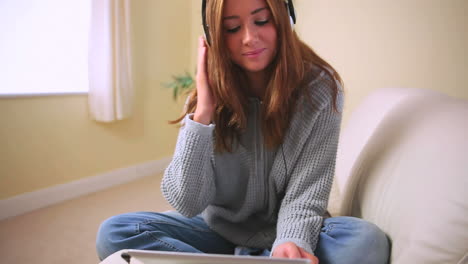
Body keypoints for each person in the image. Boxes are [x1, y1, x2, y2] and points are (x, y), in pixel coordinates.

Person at [96, 0, 390, 263]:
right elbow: (186, 203)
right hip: (216, 232)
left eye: (261, 21)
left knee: (365, 242)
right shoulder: (204, 99)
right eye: (232, 28)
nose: (249, 38)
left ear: (284, 18)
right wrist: (202, 116)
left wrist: (291, 241)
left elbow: (307, 191)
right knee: (115, 233)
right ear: (214, 37)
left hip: (287, 231)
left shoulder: (320, 89)